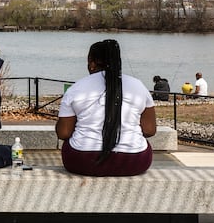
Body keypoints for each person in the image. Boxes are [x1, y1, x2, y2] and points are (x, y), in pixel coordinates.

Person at [56, 39, 156, 176]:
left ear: (92, 64)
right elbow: (150, 130)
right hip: (134, 161)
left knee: (69, 144)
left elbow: (63, 133)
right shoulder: (138, 86)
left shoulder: (76, 89)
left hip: (83, 161)